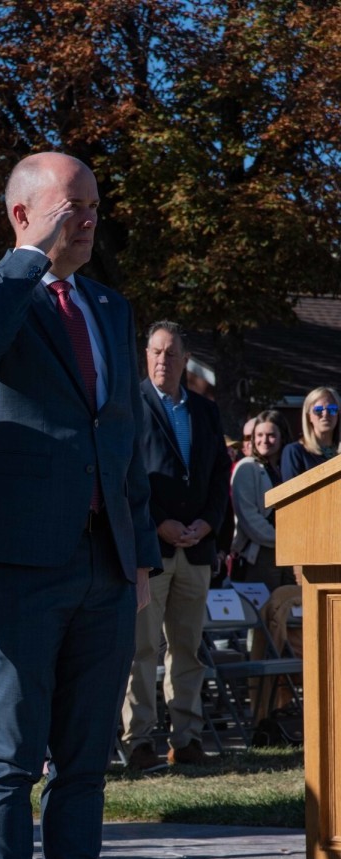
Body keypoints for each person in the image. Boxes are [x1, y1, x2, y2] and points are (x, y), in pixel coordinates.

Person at [0, 150, 163, 859]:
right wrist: (33, 258)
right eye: (72, 206)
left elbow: (124, 440)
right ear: (22, 214)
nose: (89, 220)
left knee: (84, 760)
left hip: (104, 565)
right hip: (19, 566)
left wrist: (138, 553)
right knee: (12, 756)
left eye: (95, 207)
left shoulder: (110, 306)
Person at [121, 321, 230, 770]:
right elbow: (125, 478)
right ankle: (138, 742)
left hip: (197, 548)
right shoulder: (130, 405)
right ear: (146, 357)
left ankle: (187, 739)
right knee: (142, 650)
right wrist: (158, 523)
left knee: (187, 649)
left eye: (171, 353)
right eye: (155, 352)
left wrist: (208, 524)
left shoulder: (205, 412)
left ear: (186, 360)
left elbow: (219, 476)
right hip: (152, 549)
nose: (163, 360)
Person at [230, 409, 295, 592]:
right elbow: (248, 516)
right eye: (259, 435)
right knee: (264, 613)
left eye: (271, 435)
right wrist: (282, 540)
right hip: (261, 553)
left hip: (291, 552)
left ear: (282, 437)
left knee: (290, 611)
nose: (264, 440)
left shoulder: (289, 466)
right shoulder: (247, 468)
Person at [280, 387, 341, 481]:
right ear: (309, 416)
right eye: (318, 410)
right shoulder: (295, 452)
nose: (325, 414)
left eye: (332, 409)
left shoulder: (338, 453)